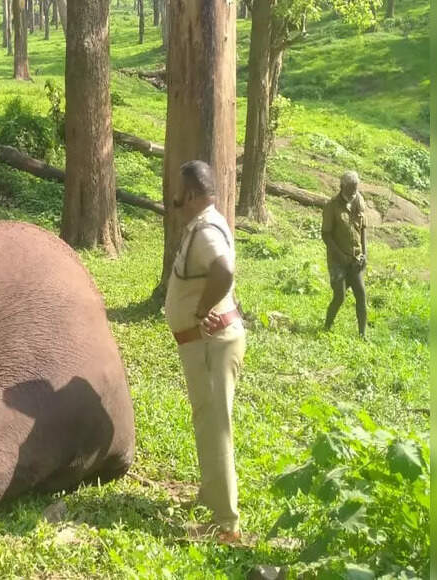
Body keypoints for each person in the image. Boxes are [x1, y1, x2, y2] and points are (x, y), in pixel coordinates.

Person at [164, 160, 246, 544]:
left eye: (180, 191)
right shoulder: (206, 222)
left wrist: (200, 312)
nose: (175, 198)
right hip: (204, 344)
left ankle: (226, 525)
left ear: (193, 194)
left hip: (211, 342)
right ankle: (211, 497)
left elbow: (224, 270)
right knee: (207, 421)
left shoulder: (207, 229)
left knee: (216, 430)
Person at [322, 171, 368, 338]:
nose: (353, 192)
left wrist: (365, 254)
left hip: (356, 259)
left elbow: (363, 229)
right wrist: (340, 255)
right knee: (339, 296)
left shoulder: (359, 200)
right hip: (338, 260)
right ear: (342, 187)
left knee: (361, 295)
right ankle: (327, 326)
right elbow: (325, 234)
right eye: (350, 189)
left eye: (356, 188)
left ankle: (362, 334)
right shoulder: (331, 206)